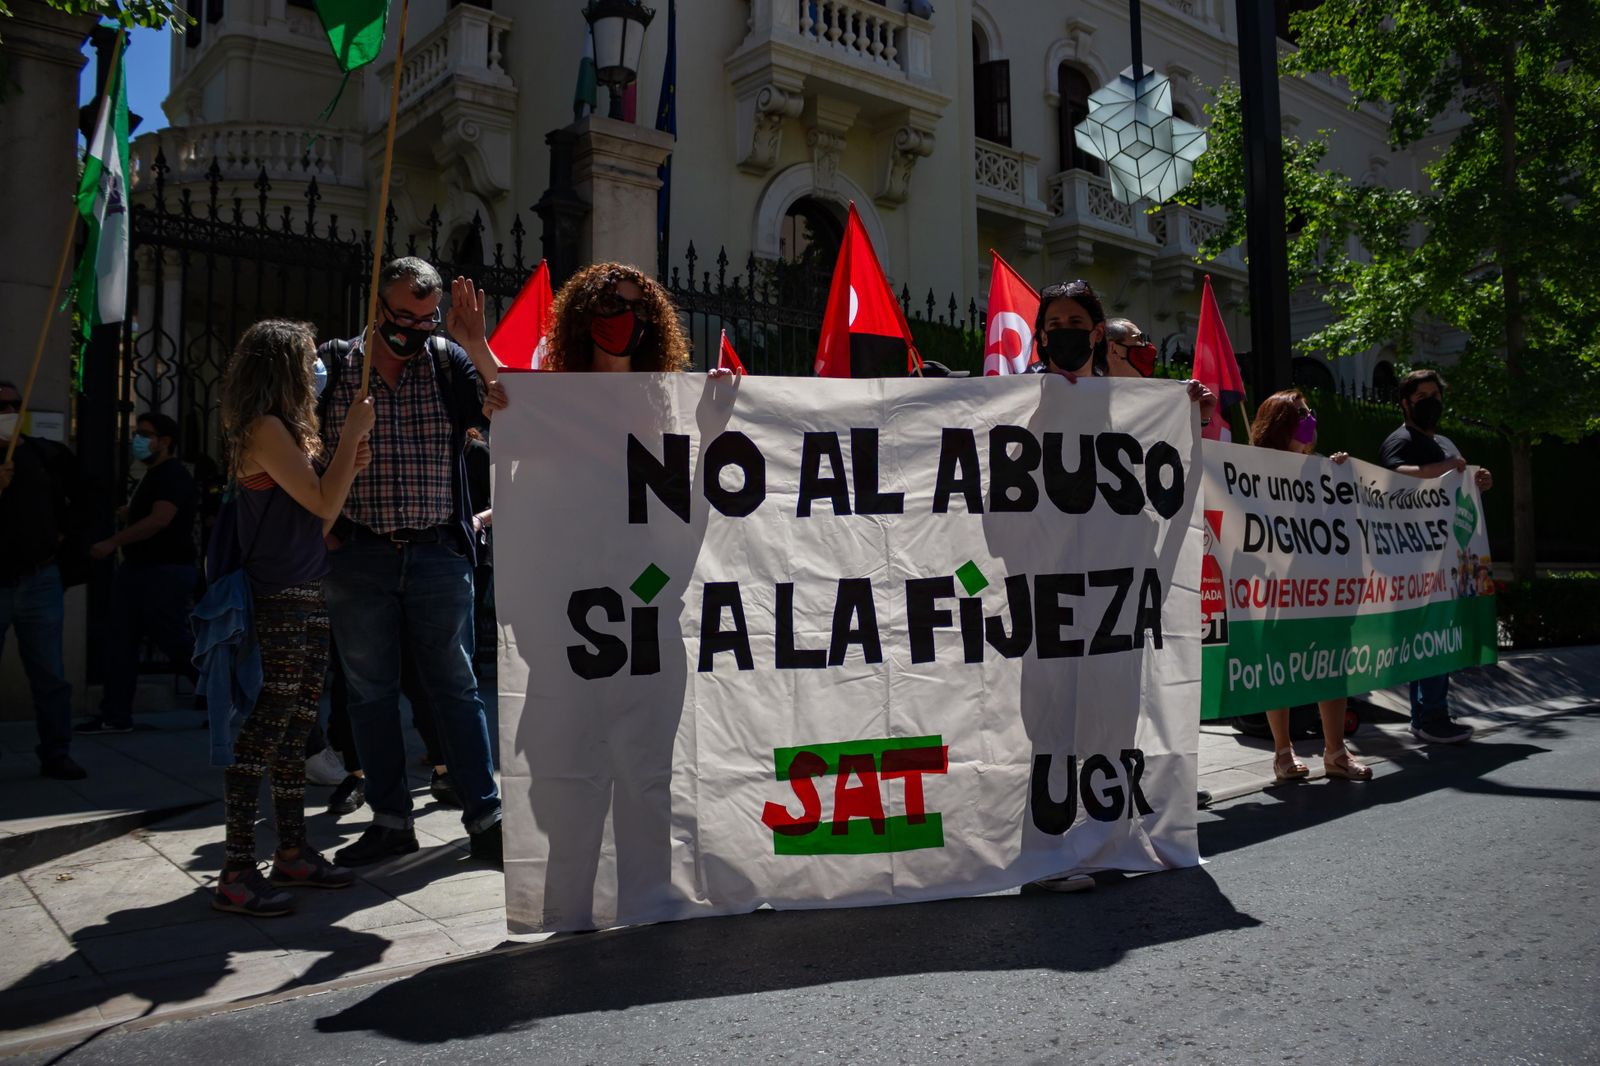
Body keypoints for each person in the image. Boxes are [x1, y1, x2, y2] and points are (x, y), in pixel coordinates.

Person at [317, 258, 509, 867]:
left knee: (456, 687)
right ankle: (392, 819)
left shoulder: (448, 363)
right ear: (378, 309)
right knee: (369, 695)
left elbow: (509, 412)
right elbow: (299, 444)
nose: (416, 329)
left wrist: (475, 344)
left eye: (428, 320)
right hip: (360, 554)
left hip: (436, 555)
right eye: (404, 317)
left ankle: (486, 817)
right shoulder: (337, 366)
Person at [210, 319, 375, 916]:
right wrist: (351, 438)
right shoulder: (264, 428)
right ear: (283, 366)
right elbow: (324, 504)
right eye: (307, 360)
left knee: (297, 726)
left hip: (305, 589)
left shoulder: (286, 433)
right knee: (266, 729)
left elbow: (317, 522)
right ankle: (235, 869)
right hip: (279, 595)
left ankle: (292, 851)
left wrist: (348, 466)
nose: (316, 372)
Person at [1250, 389, 1372, 782]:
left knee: (1332, 667)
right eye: (1300, 414)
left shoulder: (1326, 468)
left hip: (1325, 587)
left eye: (1310, 411)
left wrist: (1345, 476)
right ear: (1280, 425)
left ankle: (1335, 752)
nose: (1310, 419)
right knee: (1279, 668)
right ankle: (1283, 754)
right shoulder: (1254, 470)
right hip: (1280, 589)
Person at [1378, 369, 1492, 744]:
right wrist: (1441, 470)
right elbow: (1396, 477)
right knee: (1430, 635)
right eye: (1422, 396)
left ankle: (1427, 715)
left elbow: (1457, 489)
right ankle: (1431, 716)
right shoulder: (1400, 439)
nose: (1432, 403)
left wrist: (1477, 481)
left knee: (1438, 636)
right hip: (1416, 559)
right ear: (1406, 402)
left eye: (1436, 396)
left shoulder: (1444, 442)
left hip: (1447, 559)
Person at [78, 411, 199, 733]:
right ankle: (115, 715)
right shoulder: (154, 474)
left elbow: (161, 519)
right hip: (140, 569)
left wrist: (112, 542)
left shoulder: (172, 474)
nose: (138, 440)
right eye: (138, 433)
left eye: (145, 434)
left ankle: (230, 697)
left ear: (165, 441)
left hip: (163, 571)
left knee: (172, 640)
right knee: (120, 642)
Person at [0, 381, 84, 779]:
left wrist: (62, 535)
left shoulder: (41, 454)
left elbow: (80, 496)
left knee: (50, 675)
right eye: (2, 406)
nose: (9, 411)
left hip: (38, 579)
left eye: (15, 405)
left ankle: (56, 753)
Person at [1027, 280, 1217, 420]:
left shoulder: (1126, 400)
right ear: (1044, 336)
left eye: (1075, 322)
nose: (1065, 330)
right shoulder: (1024, 388)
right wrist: (1038, 396)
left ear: (1098, 333)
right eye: (1055, 324)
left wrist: (1197, 418)